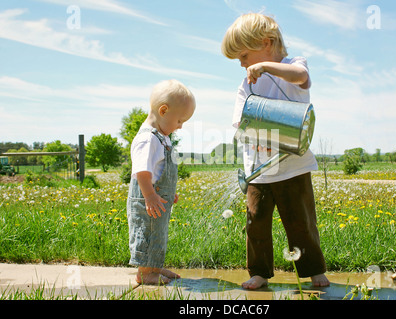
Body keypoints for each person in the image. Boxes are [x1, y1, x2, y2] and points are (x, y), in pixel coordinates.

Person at [222, 13, 330, 289]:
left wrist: (267, 67)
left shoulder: (294, 65)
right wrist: (253, 131)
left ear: (267, 43)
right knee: (255, 224)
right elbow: (239, 121)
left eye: (244, 55)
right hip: (258, 170)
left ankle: (314, 270)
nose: (242, 63)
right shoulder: (247, 83)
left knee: (300, 223)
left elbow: (301, 78)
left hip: (292, 164)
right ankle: (259, 272)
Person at [127, 79, 196, 285]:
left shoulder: (161, 137)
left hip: (156, 197)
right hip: (146, 198)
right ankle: (146, 273)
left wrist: (166, 193)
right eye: (179, 121)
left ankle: (154, 266)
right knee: (147, 233)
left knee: (158, 234)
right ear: (163, 111)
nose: (181, 126)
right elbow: (143, 172)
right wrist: (149, 195)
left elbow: (159, 171)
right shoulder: (147, 139)